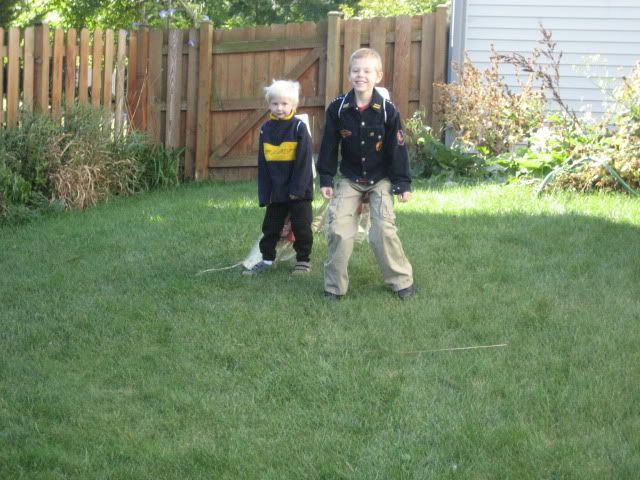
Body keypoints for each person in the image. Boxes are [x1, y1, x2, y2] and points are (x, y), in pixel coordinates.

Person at [316, 48, 415, 299]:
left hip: (380, 178)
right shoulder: (338, 108)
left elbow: (397, 148)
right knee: (338, 229)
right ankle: (334, 288)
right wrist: (326, 178)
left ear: (378, 76)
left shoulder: (387, 110)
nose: (361, 75)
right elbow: (329, 146)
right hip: (350, 179)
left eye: (367, 71)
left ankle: (402, 282)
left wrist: (402, 183)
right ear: (349, 74)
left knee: (382, 230)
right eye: (356, 70)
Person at [242, 80, 314, 275]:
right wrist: (265, 194)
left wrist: (297, 191)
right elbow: (264, 164)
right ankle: (266, 260)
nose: (279, 108)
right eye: (275, 103)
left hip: (299, 191)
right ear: (269, 104)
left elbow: (304, 163)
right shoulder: (266, 129)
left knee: (302, 227)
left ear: (293, 105)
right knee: (271, 227)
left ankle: (303, 261)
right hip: (277, 191)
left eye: (284, 104)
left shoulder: (298, 128)